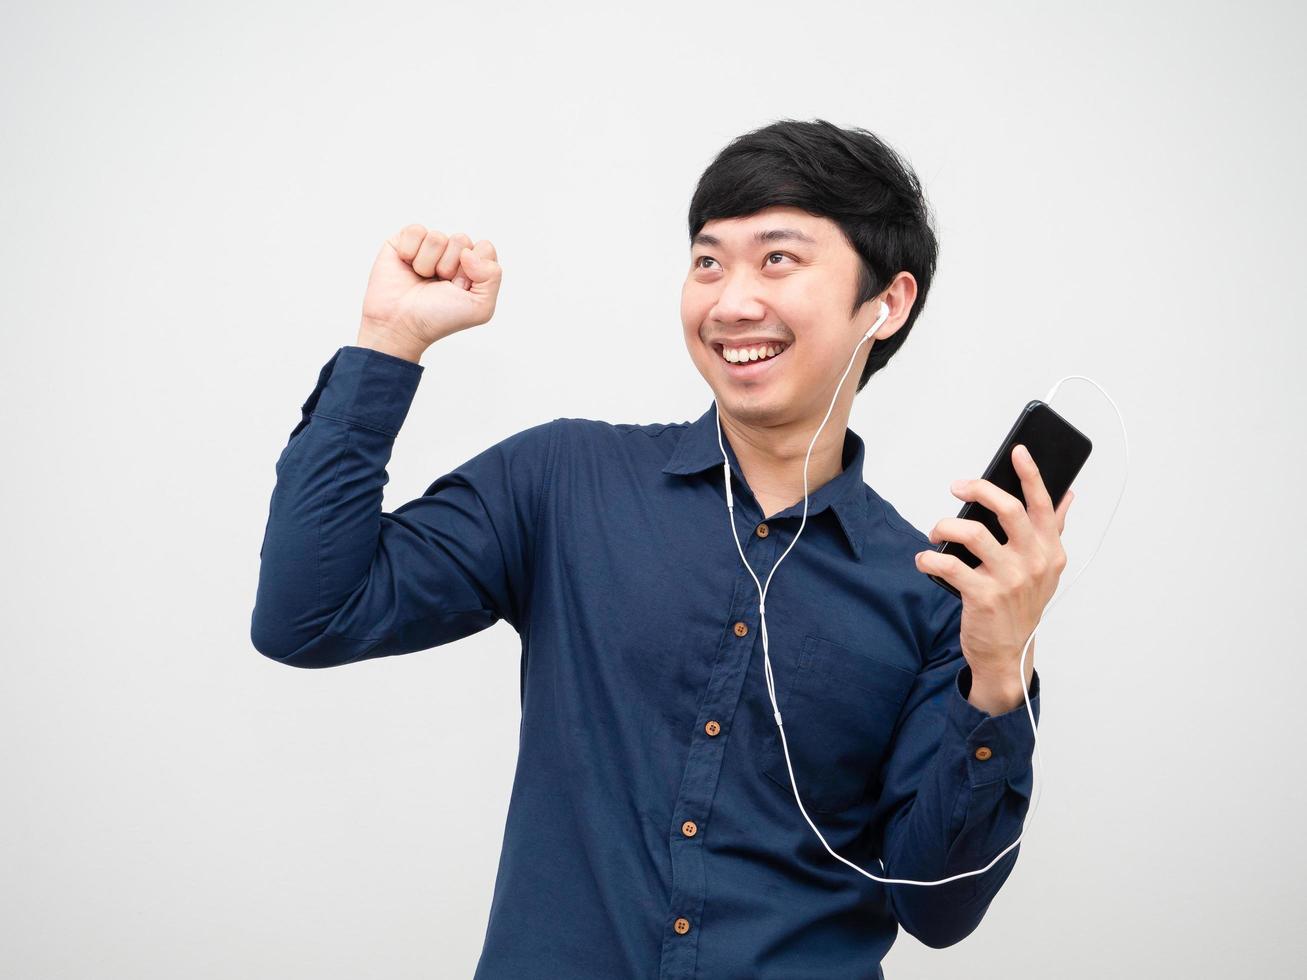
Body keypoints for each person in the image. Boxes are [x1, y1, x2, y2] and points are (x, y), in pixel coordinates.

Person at [250, 118, 1071, 980]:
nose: (730, 301)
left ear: (887, 302)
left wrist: (997, 676)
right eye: (708, 261)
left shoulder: (942, 595)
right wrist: (390, 340)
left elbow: (937, 909)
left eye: (778, 260)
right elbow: (308, 618)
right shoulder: (563, 479)